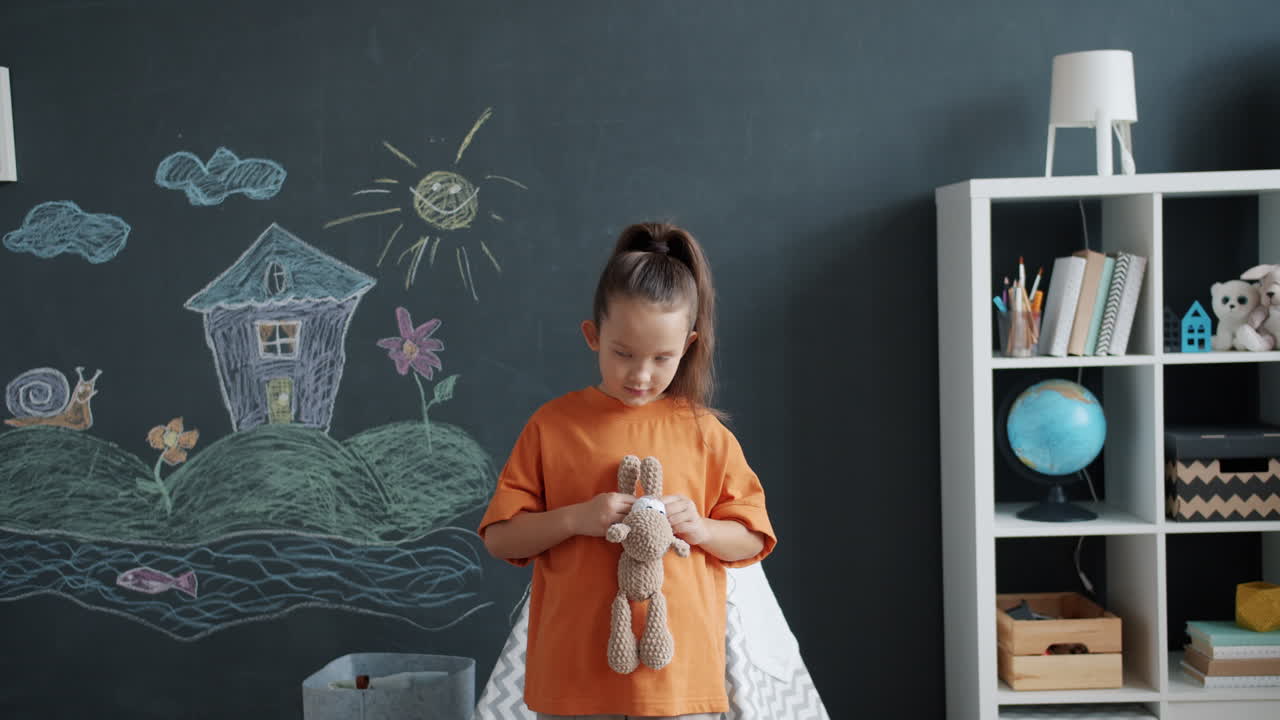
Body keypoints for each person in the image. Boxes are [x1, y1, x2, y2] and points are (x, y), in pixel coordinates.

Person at [478, 221, 776, 720]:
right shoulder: (553, 426)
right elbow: (501, 539)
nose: (641, 375)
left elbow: (752, 540)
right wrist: (576, 518)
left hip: (677, 680)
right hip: (574, 675)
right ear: (593, 336)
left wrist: (700, 528)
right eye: (623, 354)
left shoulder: (706, 433)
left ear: (688, 345)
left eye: (662, 358)